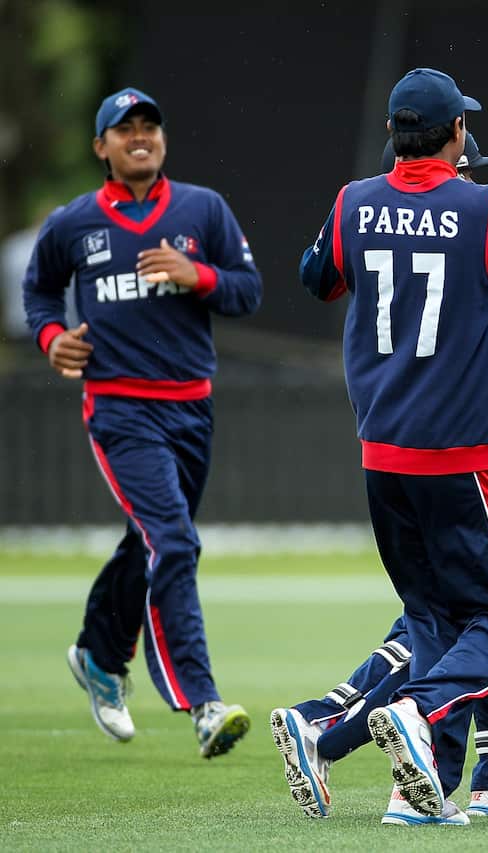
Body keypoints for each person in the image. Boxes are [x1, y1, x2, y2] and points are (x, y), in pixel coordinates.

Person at [298, 66, 488, 826]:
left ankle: (403, 788)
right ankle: (420, 718)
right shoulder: (482, 207)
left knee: (430, 618)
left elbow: (316, 278)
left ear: (396, 133)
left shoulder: (353, 202)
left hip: (383, 460)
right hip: (466, 461)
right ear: (458, 135)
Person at [22, 87, 261, 757]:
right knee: (177, 545)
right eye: (123, 128)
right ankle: (203, 702)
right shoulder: (73, 223)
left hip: (191, 406)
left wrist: (198, 274)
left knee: (155, 540)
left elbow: (248, 289)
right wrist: (49, 340)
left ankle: (99, 653)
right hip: (120, 408)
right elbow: (39, 289)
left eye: (149, 125)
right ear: (101, 147)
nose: (139, 135)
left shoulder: (201, 210)